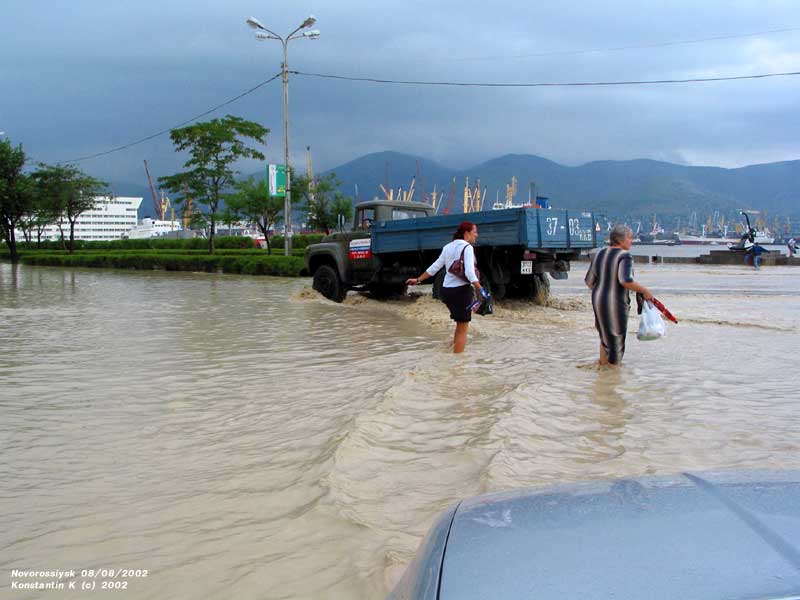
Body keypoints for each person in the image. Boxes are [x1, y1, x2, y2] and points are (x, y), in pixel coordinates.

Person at [407, 221, 484, 353]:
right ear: (467, 233)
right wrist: (479, 288)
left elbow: (435, 267)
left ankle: (452, 357)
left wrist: (418, 279)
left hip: (446, 291)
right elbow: (469, 272)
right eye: (475, 232)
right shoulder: (468, 248)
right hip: (461, 291)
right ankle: (458, 365)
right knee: (463, 329)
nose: (476, 235)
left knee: (460, 326)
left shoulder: (448, 247)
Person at [585, 224, 653, 367]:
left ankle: (603, 369)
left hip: (597, 300)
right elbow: (625, 280)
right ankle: (612, 378)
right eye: (629, 238)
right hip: (615, 303)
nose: (631, 241)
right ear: (620, 240)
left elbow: (589, 282)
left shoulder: (598, 254)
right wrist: (645, 291)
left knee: (605, 337)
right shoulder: (625, 256)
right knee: (616, 340)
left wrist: (602, 291)